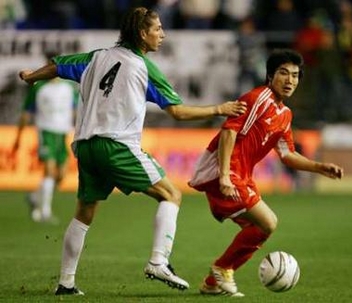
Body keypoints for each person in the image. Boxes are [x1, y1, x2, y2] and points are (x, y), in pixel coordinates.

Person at [18, 6, 247, 296]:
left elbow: (58, 64)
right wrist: (219, 109)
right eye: (158, 29)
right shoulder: (143, 66)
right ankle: (158, 261)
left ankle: (66, 282)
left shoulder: (95, 57)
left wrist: (31, 76)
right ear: (142, 33)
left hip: (85, 146)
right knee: (171, 195)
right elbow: (176, 111)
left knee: (84, 212)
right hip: (116, 145)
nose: (162, 34)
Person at [189, 49, 344, 297]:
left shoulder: (285, 114)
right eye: (283, 73)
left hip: (241, 175)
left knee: (260, 230)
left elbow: (287, 154)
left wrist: (318, 167)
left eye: (295, 75)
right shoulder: (257, 98)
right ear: (270, 76)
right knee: (268, 222)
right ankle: (222, 267)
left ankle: (211, 282)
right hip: (224, 170)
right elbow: (229, 132)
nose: (290, 80)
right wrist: (225, 175)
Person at [13, 52, 79, 223]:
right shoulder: (38, 87)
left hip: (63, 132)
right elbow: (26, 114)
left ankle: (35, 196)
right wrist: (18, 137)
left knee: (60, 176)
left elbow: (75, 111)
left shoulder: (69, 87)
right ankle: (45, 212)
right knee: (49, 171)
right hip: (46, 131)